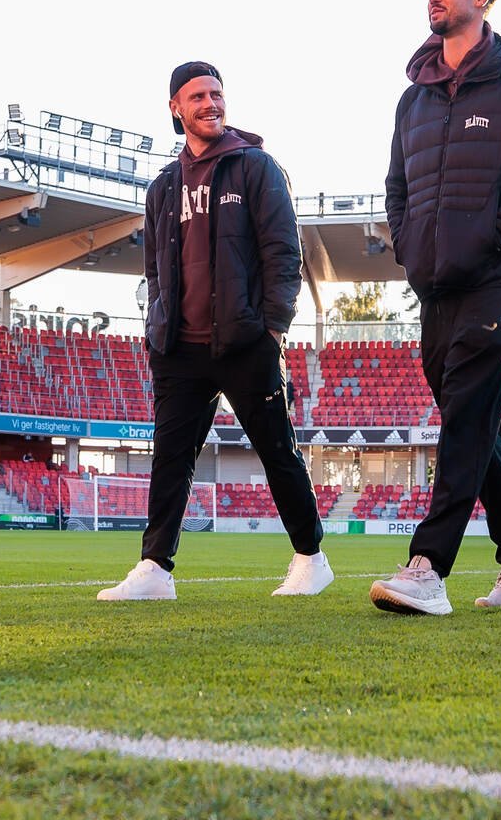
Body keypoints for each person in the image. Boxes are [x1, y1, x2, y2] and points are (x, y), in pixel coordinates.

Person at [369, 0, 501, 616]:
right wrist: (410, 249)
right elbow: (397, 186)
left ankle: (428, 567)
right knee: (471, 422)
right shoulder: (414, 98)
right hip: (433, 286)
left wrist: (488, 238)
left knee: (465, 420)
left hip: (495, 275)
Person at [97, 61, 333, 603]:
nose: (211, 103)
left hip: (245, 341)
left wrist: (273, 328)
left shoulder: (256, 167)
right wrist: (160, 327)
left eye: (217, 94)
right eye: (198, 96)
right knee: (171, 458)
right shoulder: (162, 187)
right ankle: (155, 569)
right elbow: (155, 269)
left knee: (277, 450)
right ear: (175, 108)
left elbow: (282, 252)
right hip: (179, 348)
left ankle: (310, 557)